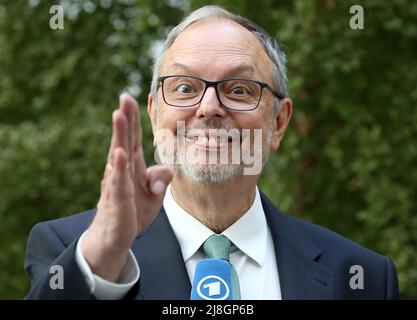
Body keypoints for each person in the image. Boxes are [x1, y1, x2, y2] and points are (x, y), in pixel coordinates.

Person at [24, 5, 399, 300]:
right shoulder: (72, 251)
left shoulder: (361, 277)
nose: (208, 107)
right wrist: (104, 258)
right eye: (185, 87)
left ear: (279, 123)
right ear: (155, 114)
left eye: (238, 90)